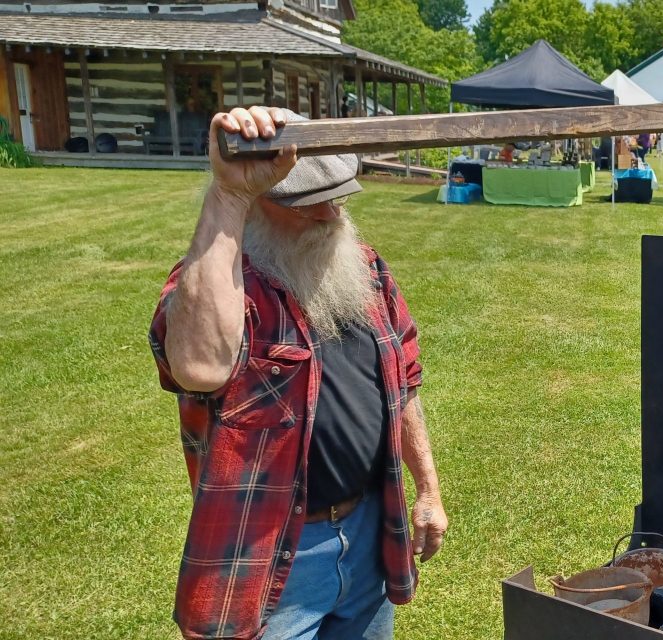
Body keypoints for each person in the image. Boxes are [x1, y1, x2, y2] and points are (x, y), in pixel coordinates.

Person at [149, 105, 447, 640]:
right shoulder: (219, 289)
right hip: (270, 553)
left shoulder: (367, 270)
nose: (331, 216)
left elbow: (404, 382)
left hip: (368, 534)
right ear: (256, 205)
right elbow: (196, 367)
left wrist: (427, 488)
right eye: (309, 204)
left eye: (338, 198)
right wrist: (228, 194)